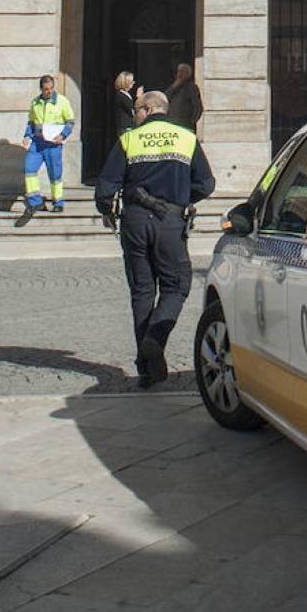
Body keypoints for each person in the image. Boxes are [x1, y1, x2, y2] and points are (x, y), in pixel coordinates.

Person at [96, 90, 215, 388]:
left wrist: (107, 210)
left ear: (149, 109)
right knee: (176, 285)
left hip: (135, 221)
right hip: (170, 222)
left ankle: (146, 368)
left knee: (142, 292)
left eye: (136, 109)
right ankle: (155, 339)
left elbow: (105, 187)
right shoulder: (186, 138)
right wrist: (182, 200)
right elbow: (206, 183)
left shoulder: (129, 140)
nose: (134, 113)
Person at [21, 75, 75, 216]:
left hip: (53, 144)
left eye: (51, 88)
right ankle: (35, 202)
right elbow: (31, 122)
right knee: (29, 168)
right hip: (37, 143)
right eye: (46, 89)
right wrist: (27, 136)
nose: (49, 92)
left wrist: (63, 135)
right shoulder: (35, 102)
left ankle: (57, 202)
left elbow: (70, 121)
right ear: (41, 89)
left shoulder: (62, 101)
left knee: (55, 174)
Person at [165, 63, 203, 130]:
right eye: (178, 71)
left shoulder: (191, 87)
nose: (180, 74)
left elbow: (197, 107)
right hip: (171, 124)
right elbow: (164, 99)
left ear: (188, 74)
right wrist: (174, 87)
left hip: (185, 125)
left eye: (182, 72)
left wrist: (192, 121)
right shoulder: (173, 87)